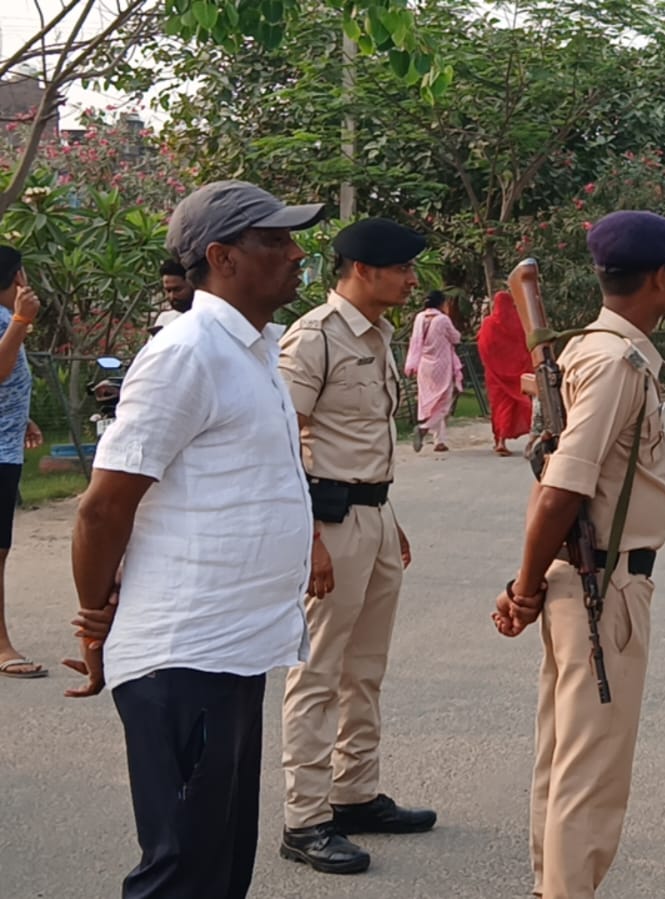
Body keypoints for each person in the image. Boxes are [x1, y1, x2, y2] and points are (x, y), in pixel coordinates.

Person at [66, 180, 325, 898]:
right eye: (274, 240)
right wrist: (95, 618)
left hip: (233, 650)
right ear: (222, 257)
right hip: (184, 657)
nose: (296, 252)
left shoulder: (254, 348)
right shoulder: (188, 350)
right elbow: (102, 507)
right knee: (180, 871)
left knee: (217, 867)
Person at [492, 210, 665, 899]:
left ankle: (552, 887)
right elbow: (560, 491)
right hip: (605, 586)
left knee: (567, 758)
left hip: (584, 576)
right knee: (589, 770)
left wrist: (533, 580)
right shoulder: (613, 361)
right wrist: (523, 586)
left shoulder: (590, 352)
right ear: (660, 278)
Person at [276, 218, 435, 876]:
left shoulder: (378, 334)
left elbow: (366, 439)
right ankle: (304, 818)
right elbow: (282, 441)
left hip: (370, 513)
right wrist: (308, 536)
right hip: (328, 522)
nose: (411, 277)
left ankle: (354, 794)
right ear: (364, 270)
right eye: (401, 266)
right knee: (316, 674)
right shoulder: (314, 337)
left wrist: (387, 514)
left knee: (364, 668)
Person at [0, 247, 45, 679]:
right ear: (18, 276)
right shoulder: (7, 319)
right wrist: (20, 320)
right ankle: (1, 646)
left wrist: (21, 416)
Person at [478, 289, 534, 456]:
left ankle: (500, 440)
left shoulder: (488, 323)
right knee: (518, 404)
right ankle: (532, 438)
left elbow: (483, 346)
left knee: (499, 405)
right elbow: (526, 346)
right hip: (516, 373)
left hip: (495, 374)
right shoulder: (519, 322)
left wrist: (490, 364)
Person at [404, 289, 462, 452]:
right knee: (444, 403)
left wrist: (411, 364)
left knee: (431, 403)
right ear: (441, 303)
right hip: (442, 366)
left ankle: (440, 441)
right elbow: (455, 338)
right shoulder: (443, 320)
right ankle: (424, 428)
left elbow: (415, 342)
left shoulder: (419, 318)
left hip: (424, 366)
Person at [151, 258, 195, 334]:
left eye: (177, 290)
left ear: (193, 285)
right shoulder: (165, 319)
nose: (172, 296)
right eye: (168, 291)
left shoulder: (211, 318)